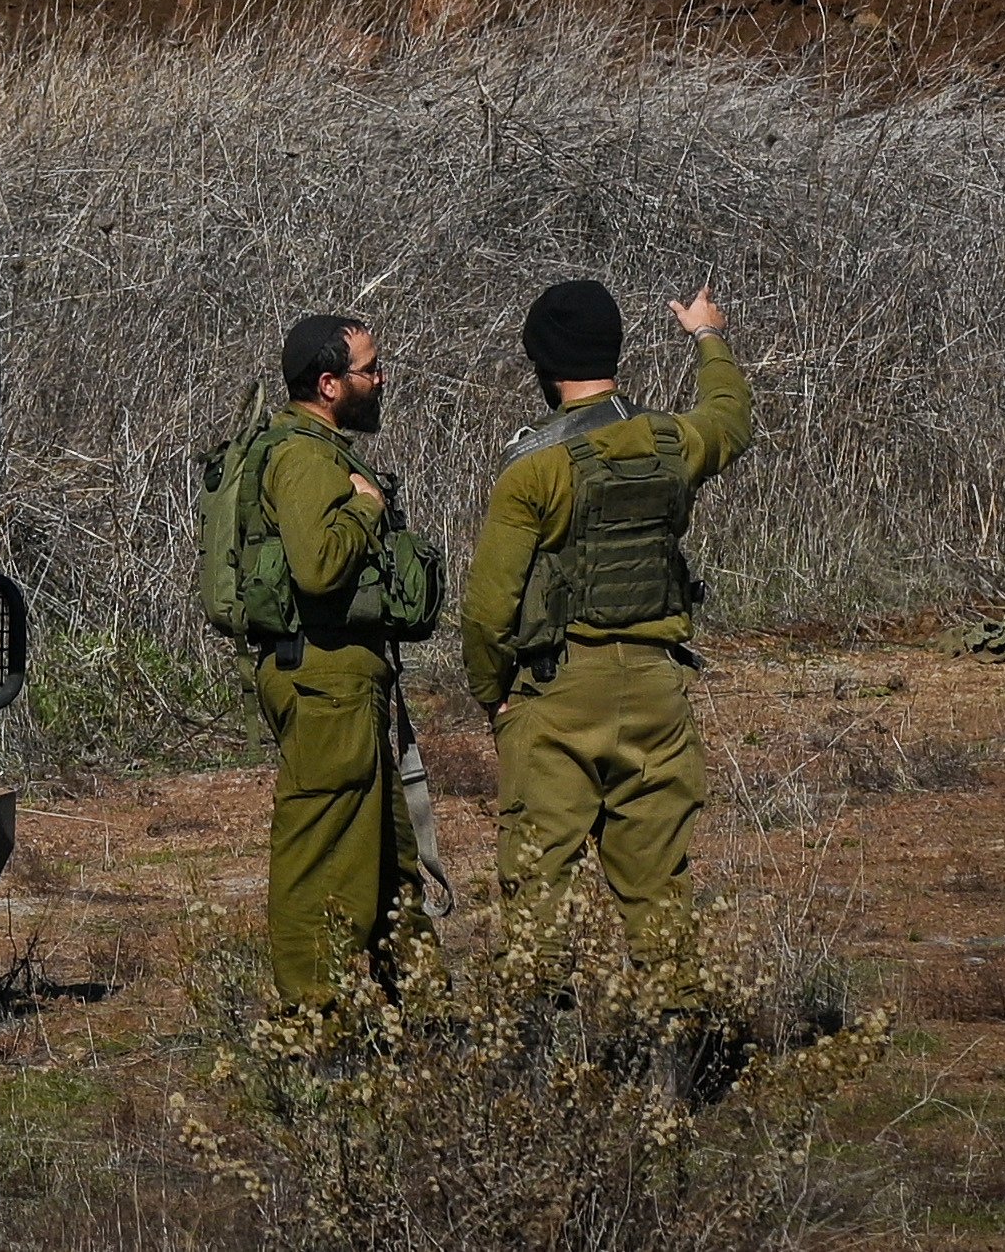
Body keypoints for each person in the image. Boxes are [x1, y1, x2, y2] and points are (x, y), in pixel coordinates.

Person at [461, 279, 754, 972]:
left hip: (558, 691)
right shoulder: (673, 442)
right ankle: (678, 1052)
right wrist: (707, 335)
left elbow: (486, 608)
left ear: (542, 364)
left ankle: (537, 1052)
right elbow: (731, 418)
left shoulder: (534, 470)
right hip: (657, 687)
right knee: (658, 890)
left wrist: (491, 694)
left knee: (537, 888)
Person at [246, 310, 422, 1003]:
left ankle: (425, 1009)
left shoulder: (320, 448)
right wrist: (365, 509)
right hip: (323, 682)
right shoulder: (302, 456)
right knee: (319, 852)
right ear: (328, 383)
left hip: (346, 678)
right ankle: (312, 1018)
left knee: (390, 856)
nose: (381, 379)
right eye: (369, 368)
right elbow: (318, 567)